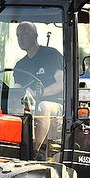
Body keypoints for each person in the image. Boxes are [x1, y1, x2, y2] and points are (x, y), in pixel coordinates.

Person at [13, 22, 64, 154]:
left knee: (44, 106)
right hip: (30, 106)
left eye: (24, 34)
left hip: (57, 106)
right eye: (18, 35)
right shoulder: (20, 65)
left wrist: (37, 93)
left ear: (36, 36)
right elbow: (17, 91)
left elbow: (61, 83)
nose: (20, 38)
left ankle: (36, 151)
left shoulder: (51, 55)